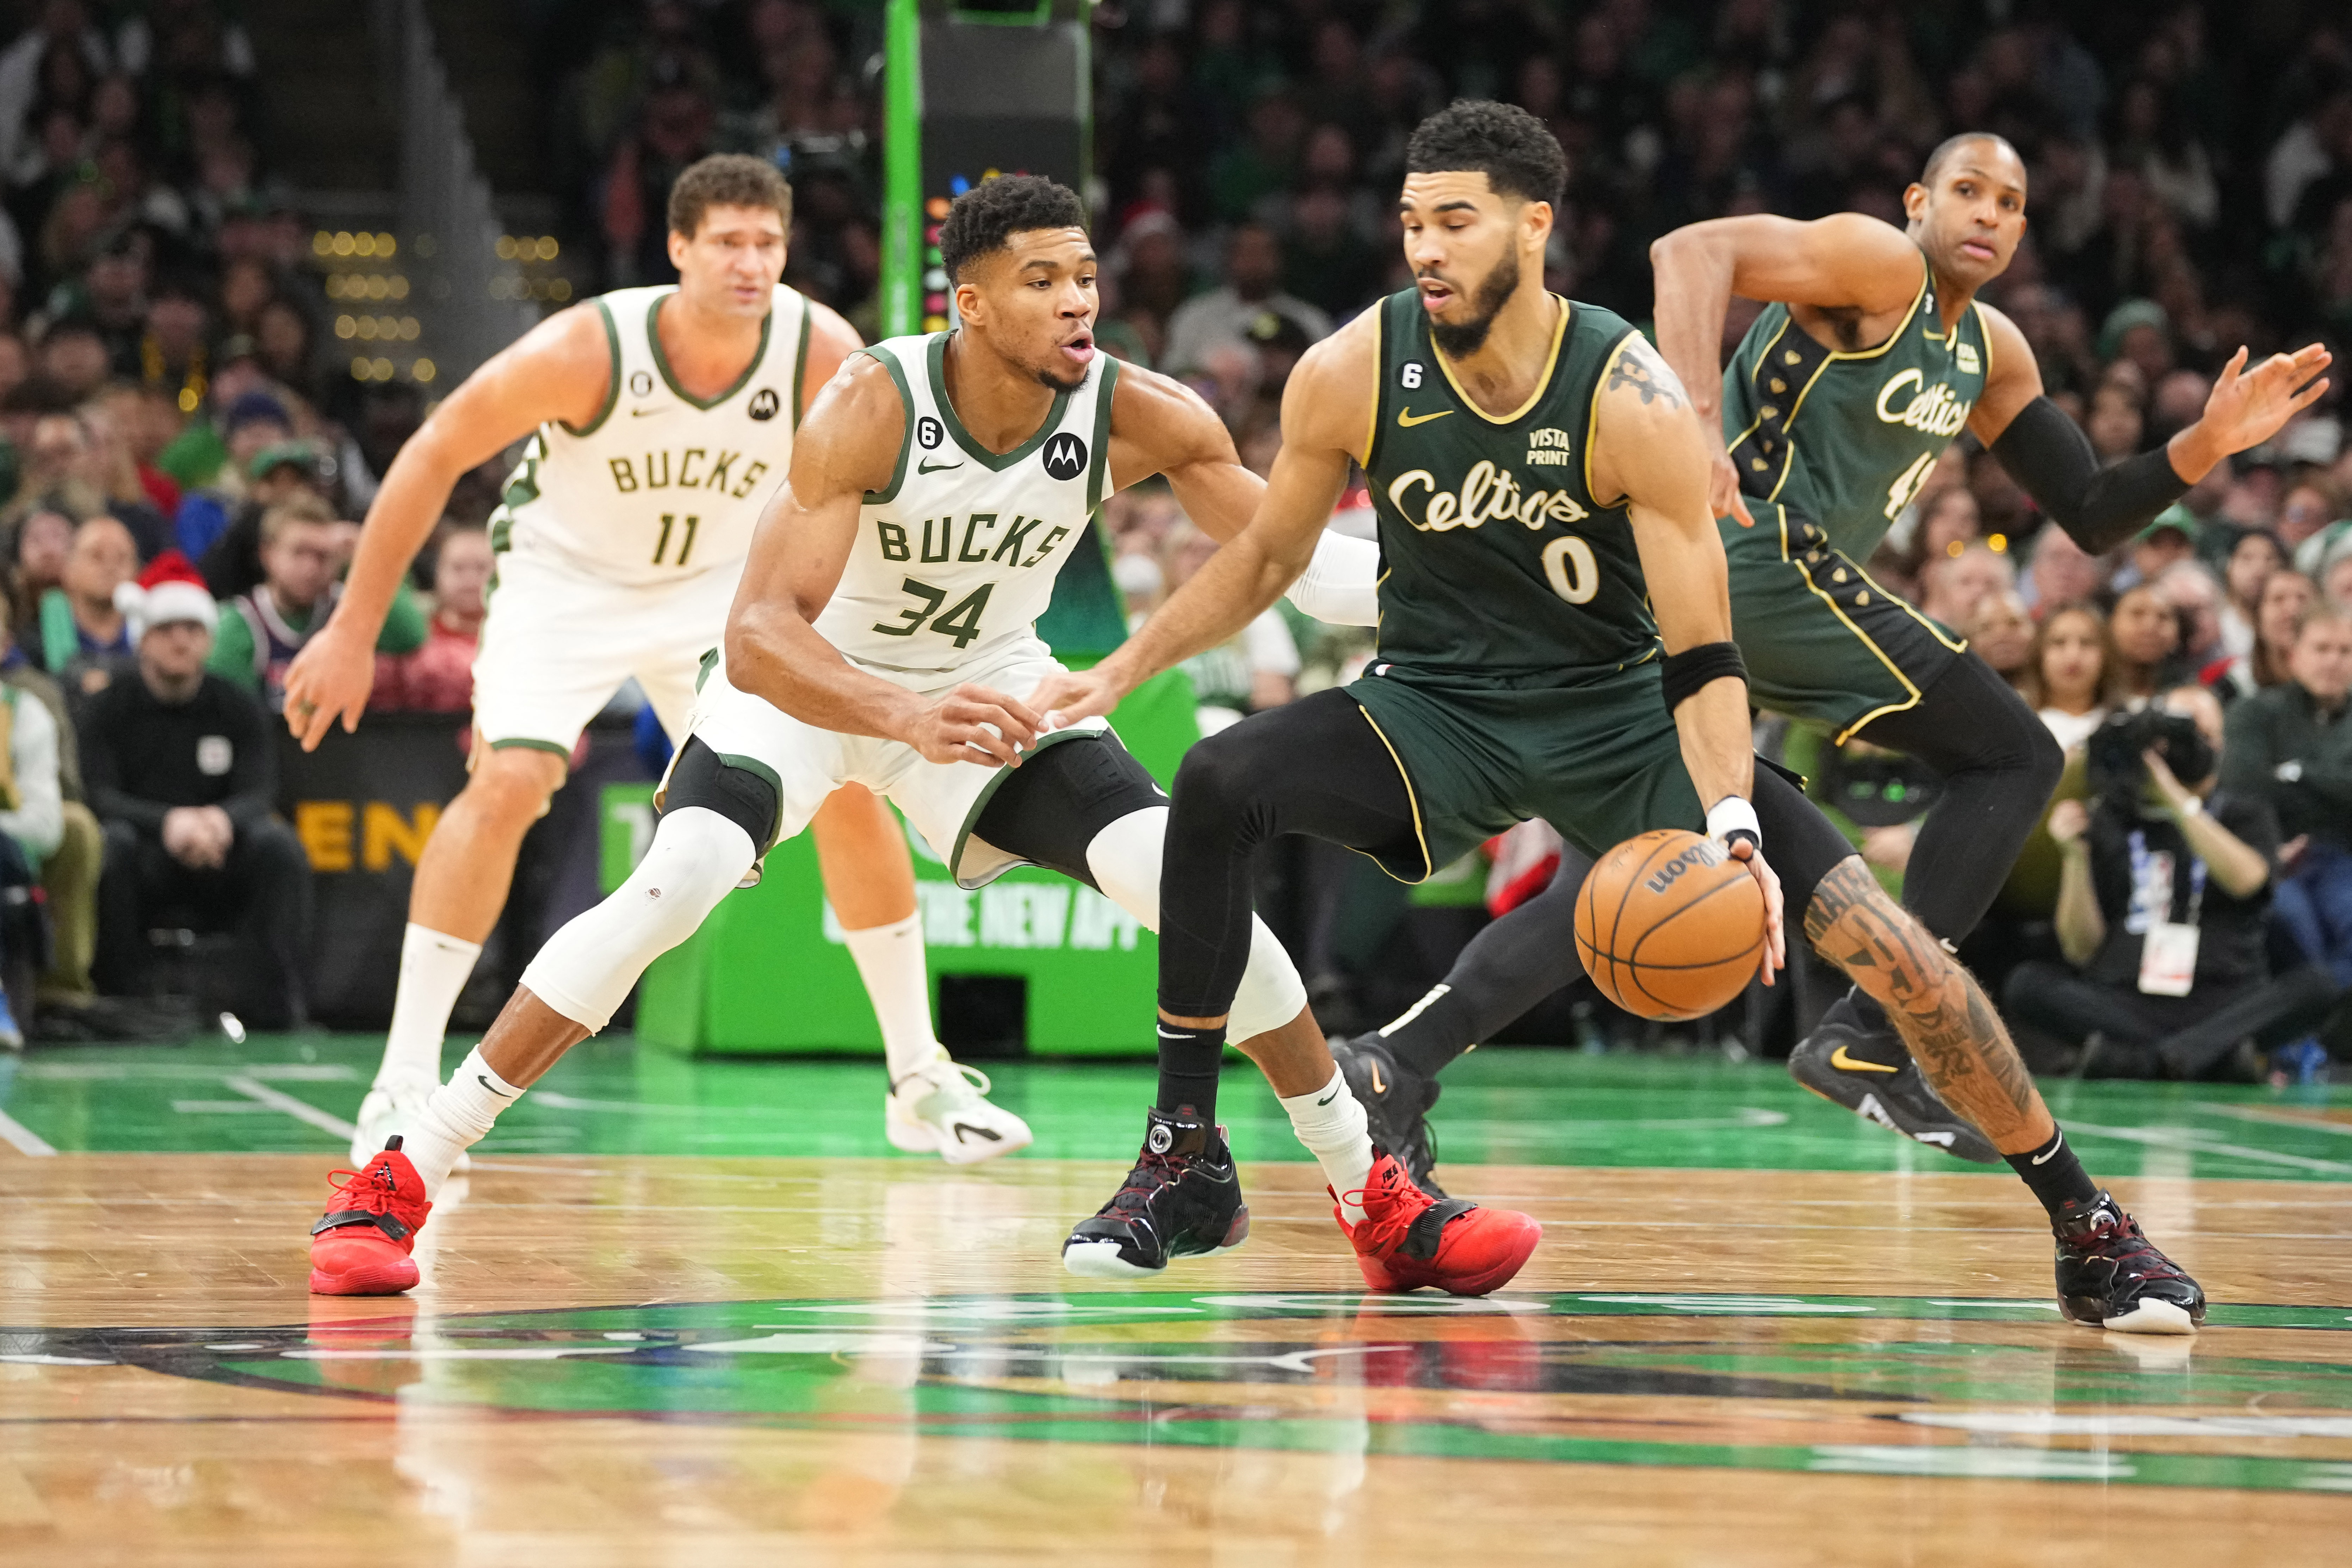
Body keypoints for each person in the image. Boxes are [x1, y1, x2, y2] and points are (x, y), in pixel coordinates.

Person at [1031, 104, 2205, 1333]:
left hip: (1619, 716)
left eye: (1455, 221)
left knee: (1896, 953)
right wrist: (1119, 668)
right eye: (1410, 224)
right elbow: (1268, 552)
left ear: (1532, 228)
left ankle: (2087, 1226)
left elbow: (1701, 654)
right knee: (1217, 779)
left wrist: (1735, 826)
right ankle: (1185, 1156)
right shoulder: (1352, 368)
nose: (1424, 248)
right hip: (1434, 711)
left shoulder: (1627, 393)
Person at [303, 174, 1533, 1301]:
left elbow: (1298, 568)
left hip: (986, 689)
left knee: (1190, 886)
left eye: (1086, 278)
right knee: (673, 885)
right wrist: (894, 713)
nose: (1076, 304)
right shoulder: (873, 402)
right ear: (974, 303)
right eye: (1043, 282)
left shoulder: (1135, 410)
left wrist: (1475, 555)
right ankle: (402, 1174)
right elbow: (755, 635)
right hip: (810, 690)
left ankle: (1371, 1195)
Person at [1311, 130, 2327, 1176]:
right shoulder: (1875, 264)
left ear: (2023, 229)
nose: (1985, 214)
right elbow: (1688, 250)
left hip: (1690, 597)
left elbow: (2090, 511)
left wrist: (2203, 444)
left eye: (2008, 203)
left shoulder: (1991, 351)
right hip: (1750, 550)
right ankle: (1872, 1031)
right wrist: (1693, 419)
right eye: (1964, 191)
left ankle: (1395, 1061)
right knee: (2010, 752)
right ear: (1914, 203)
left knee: (1616, 880)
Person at [279, 156, 1023, 1169]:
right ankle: (404, 1077)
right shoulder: (594, 344)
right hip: (566, 580)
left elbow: (880, 490)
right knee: (510, 781)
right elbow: (437, 448)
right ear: (678, 249)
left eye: (767, 243)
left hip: (718, 594)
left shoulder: (818, 349)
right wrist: (354, 629)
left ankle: (919, 1075)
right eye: (727, 241)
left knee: (847, 787)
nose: (751, 262)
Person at [2009, 686, 2333, 1079]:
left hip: (2224, 998)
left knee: (2320, 985)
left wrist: (2177, 802)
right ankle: (2204, 1057)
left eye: (2202, 735)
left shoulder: (2243, 813)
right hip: (2126, 998)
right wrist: (2075, 857)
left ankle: (2141, 1060)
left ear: (2220, 745)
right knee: (2025, 984)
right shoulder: (2111, 816)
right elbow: (2081, 948)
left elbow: (2247, 882)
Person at [82, 558, 311, 1027]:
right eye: (166, 629)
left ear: (208, 638)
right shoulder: (108, 707)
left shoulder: (237, 705)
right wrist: (168, 824)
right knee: (113, 847)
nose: (180, 640)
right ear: (144, 638)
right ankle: (120, 1000)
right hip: (145, 852)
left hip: (219, 850)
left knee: (278, 848)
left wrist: (219, 822)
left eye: (191, 628)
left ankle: (275, 1005)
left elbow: (259, 788)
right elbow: (99, 793)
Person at [2220, 607, 2352, 988]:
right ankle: (2301, 1032)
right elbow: (2243, 787)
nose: (2333, 660)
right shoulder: (2253, 712)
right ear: (2294, 655)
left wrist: (2297, 773)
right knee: (2293, 927)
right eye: (2321, 648)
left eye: (2345, 651)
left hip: (2341, 855)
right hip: (2270, 852)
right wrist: (2334, 784)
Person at [208, 495, 425, 709]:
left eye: (322, 556)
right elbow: (231, 712)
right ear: (268, 554)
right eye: (299, 552)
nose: (310, 569)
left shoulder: (346, 606)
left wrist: (366, 556)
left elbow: (410, 636)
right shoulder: (240, 622)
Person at [370, 524, 488, 712]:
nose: (470, 580)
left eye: (482, 569)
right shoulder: (409, 634)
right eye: (458, 568)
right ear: (438, 573)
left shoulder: (517, 638)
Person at [2027, 601, 2112, 751]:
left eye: (2087, 643)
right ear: (2039, 653)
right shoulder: (2018, 728)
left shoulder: (2128, 724)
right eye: (2059, 643)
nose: (2073, 656)